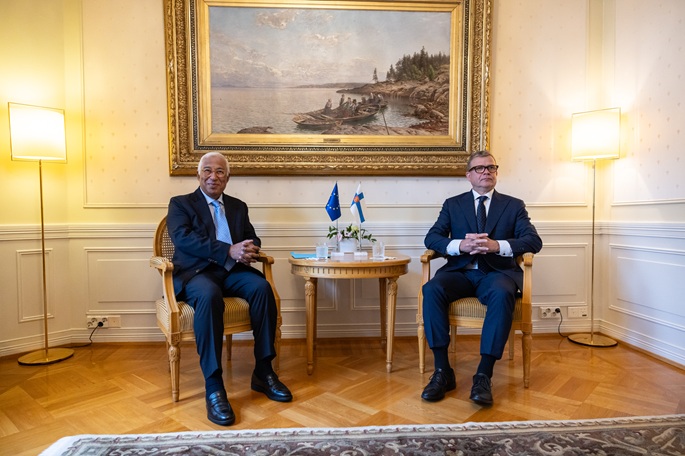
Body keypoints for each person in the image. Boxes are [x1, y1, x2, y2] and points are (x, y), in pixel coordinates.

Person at [166, 152, 292, 426]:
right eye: (208, 170)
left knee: (262, 288)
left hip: (232, 272)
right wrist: (228, 250)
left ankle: (263, 372)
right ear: (198, 175)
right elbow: (184, 239)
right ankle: (214, 386)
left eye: (220, 171)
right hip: (197, 273)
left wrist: (249, 248)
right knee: (209, 296)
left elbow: (251, 236)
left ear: (228, 177)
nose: (213, 176)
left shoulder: (238, 206)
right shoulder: (180, 204)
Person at [421, 150, 542, 405]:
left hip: (497, 274)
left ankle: (484, 374)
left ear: (496, 173)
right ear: (469, 175)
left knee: (502, 292)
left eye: (491, 167)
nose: (486, 171)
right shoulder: (453, 204)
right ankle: (443, 371)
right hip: (460, 273)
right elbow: (432, 238)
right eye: (479, 168)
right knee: (432, 289)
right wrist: (459, 245)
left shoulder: (513, 205)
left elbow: (533, 241)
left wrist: (497, 246)